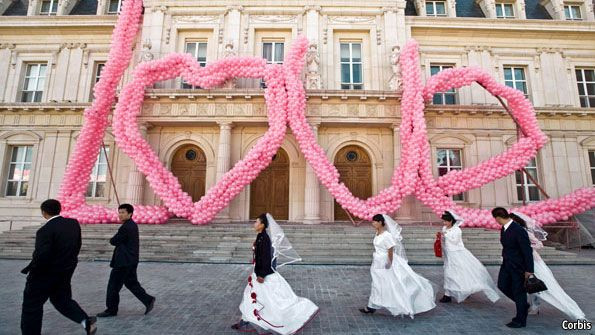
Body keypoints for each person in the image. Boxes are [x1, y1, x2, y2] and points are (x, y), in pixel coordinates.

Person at [232, 213, 319, 334]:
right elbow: (260, 256)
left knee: (268, 298)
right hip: (258, 271)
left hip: (263, 274)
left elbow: (267, 258)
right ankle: (246, 318)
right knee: (250, 295)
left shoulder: (265, 239)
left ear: (262, 225)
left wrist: (261, 275)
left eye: (257, 222)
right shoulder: (260, 237)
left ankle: (274, 318)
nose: (254, 224)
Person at [20, 199, 97, 335]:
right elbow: (77, 246)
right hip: (65, 272)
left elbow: (42, 255)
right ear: (59, 209)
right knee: (62, 300)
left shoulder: (44, 230)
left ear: (44, 213)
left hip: (44, 275)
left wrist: (32, 272)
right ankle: (85, 321)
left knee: (31, 307)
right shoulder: (73, 224)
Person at [510, 212, 586, 320]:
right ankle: (533, 307)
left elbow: (539, 244)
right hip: (522, 262)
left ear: (517, 222)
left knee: (543, 286)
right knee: (528, 285)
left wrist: (526, 247)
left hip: (533, 262)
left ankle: (568, 309)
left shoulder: (525, 232)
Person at [359, 214, 436, 318]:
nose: (373, 223)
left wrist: (389, 263)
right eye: (373, 222)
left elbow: (390, 249)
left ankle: (400, 304)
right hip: (377, 261)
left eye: (375, 221)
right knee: (377, 283)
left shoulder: (387, 235)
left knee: (391, 284)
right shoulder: (377, 233)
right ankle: (372, 305)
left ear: (381, 222)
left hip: (385, 261)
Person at [97, 204, 155, 317]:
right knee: (131, 283)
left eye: (123, 212)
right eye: (119, 212)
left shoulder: (126, 227)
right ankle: (148, 300)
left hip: (123, 262)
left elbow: (114, 241)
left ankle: (111, 310)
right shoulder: (132, 225)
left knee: (113, 286)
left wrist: (112, 239)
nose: (120, 214)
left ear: (130, 214)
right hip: (131, 260)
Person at [438, 210, 500, 304]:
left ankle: (458, 291)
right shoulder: (444, 228)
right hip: (449, 254)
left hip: (457, 253)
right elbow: (444, 240)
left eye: (446, 221)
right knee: (448, 272)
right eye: (444, 221)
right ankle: (448, 293)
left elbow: (455, 241)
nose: (444, 223)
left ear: (451, 221)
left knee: (458, 272)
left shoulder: (457, 230)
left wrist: (445, 236)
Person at [492, 207, 534, 328]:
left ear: (498, 218)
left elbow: (527, 251)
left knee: (519, 291)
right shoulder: (504, 229)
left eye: (495, 219)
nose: (496, 221)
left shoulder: (518, 230)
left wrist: (529, 270)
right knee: (502, 285)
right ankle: (523, 305)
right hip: (506, 264)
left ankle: (520, 320)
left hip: (519, 266)